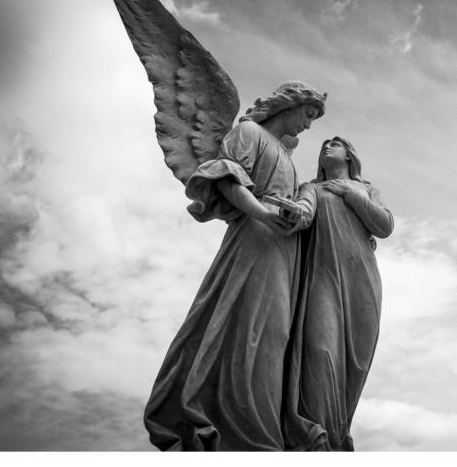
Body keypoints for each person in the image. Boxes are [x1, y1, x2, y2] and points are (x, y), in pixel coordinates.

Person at [143, 81, 327, 451]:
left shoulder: (287, 157)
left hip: (282, 249)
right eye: (308, 114)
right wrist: (263, 213)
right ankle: (239, 432)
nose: (308, 125)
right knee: (247, 327)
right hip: (255, 239)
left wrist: (293, 216)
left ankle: (262, 427)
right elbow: (227, 178)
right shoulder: (249, 133)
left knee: (275, 335)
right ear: (289, 105)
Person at [283, 137, 394, 451]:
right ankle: (316, 438)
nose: (326, 147)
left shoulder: (366, 189)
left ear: (349, 154)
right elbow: (304, 212)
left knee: (354, 364)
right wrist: (292, 212)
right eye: (323, 146)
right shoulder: (312, 189)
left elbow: (384, 225)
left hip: (362, 280)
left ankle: (337, 434)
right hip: (323, 279)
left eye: (334, 144)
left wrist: (349, 194)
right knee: (320, 352)